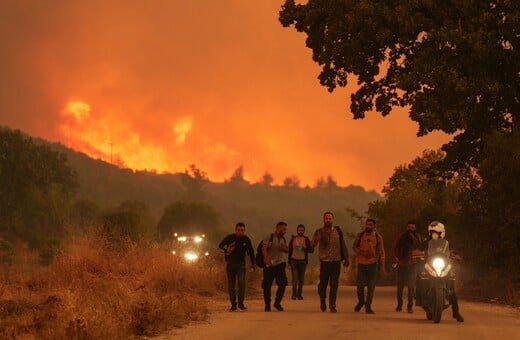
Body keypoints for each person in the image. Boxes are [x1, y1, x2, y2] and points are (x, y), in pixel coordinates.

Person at [423, 221, 464, 322]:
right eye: (432, 232)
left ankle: (456, 312)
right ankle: (422, 300)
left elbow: (452, 251)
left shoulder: (446, 242)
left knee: (452, 289)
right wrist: (418, 254)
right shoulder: (426, 242)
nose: (433, 234)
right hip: (430, 265)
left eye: (435, 232)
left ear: (441, 233)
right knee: (421, 278)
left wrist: (455, 255)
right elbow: (420, 249)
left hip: (443, 265)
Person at [311, 211, 349, 313]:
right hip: (325, 262)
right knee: (322, 284)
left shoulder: (338, 231)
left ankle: (332, 305)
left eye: (329, 218)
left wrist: (346, 258)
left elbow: (343, 244)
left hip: (336, 261)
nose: (328, 220)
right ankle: (322, 300)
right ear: (323, 220)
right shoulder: (319, 232)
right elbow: (312, 245)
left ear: (332, 220)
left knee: (334, 284)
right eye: (326, 218)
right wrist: (315, 241)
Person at [218, 222, 255, 312]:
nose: (240, 232)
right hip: (230, 264)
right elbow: (220, 246)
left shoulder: (246, 239)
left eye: (242, 230)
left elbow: (251, 252)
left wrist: (252, 264)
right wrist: (226, 250)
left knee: (241, 284)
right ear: (235, 230)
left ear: (244, 230)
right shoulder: (230, 238)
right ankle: (233, 304)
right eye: (239, 230)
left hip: (241, 265)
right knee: (231, 284)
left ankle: (241, 304)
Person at [353, 218, 386, 314]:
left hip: (373, 264)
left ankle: (368, 306)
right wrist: (360, 252)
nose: (368, 226)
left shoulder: (377, 237)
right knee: (360, 286)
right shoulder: (360, 235)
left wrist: (382, 267)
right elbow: (354, 247)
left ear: (374, 226)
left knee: (371, 287)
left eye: (370, 225)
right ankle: (361, 301)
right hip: (362, 264)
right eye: (367, 224)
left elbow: (381, 252)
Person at [391, 221, 423, 313]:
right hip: (401, 264)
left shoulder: (417, 237)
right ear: (406, 228)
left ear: (415, 229)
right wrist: (395, 259)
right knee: (400, 287)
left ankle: (410, 306)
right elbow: (394, 248)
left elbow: (420, 247)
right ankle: (399, 305)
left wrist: (413, 238)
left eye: (412, 228)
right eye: (409, 227)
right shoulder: (401, 237)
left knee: (411, 287)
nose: (410, 229)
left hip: (412, 265)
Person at [262, 221, 289, 312]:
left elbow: (286, 250)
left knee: (283, 284)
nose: (285, 231)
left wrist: (284, 249)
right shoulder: (270, 237)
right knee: (267, 285)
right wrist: (266, 258)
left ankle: (277, 303)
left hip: (280, 265)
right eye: (284, 229)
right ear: (278, 228)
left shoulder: (283, 239)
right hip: (269, 265)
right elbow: (264, 248)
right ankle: (267, 304)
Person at [288, 224, 314, 300]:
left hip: (303, 261)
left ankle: (299, 294)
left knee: (301, 279)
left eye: (302, 230)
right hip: (294, 261)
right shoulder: (293, 239)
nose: (300, 231)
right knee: (295, 278)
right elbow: (290, 250)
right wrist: (289, 261)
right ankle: (294, 294)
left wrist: (306, 248)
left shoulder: (306, 239)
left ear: (304, 231)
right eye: (299, 230)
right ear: (297, 230)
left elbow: (311, 250)